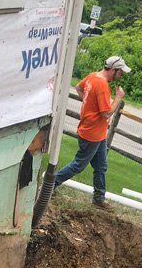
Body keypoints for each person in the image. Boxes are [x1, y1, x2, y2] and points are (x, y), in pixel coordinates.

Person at [53, 55, 130, 206]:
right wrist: (118, 98)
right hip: (91, 133)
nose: (121, 76)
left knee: (101, 166)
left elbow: (79, 88)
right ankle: (51, 183)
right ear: (113, 70)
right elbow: (106, 113)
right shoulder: (102, 85)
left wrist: (89, 105)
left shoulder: (92, 76)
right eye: (120, 72)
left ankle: (99, 199)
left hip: (98, 134)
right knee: (78, 165)